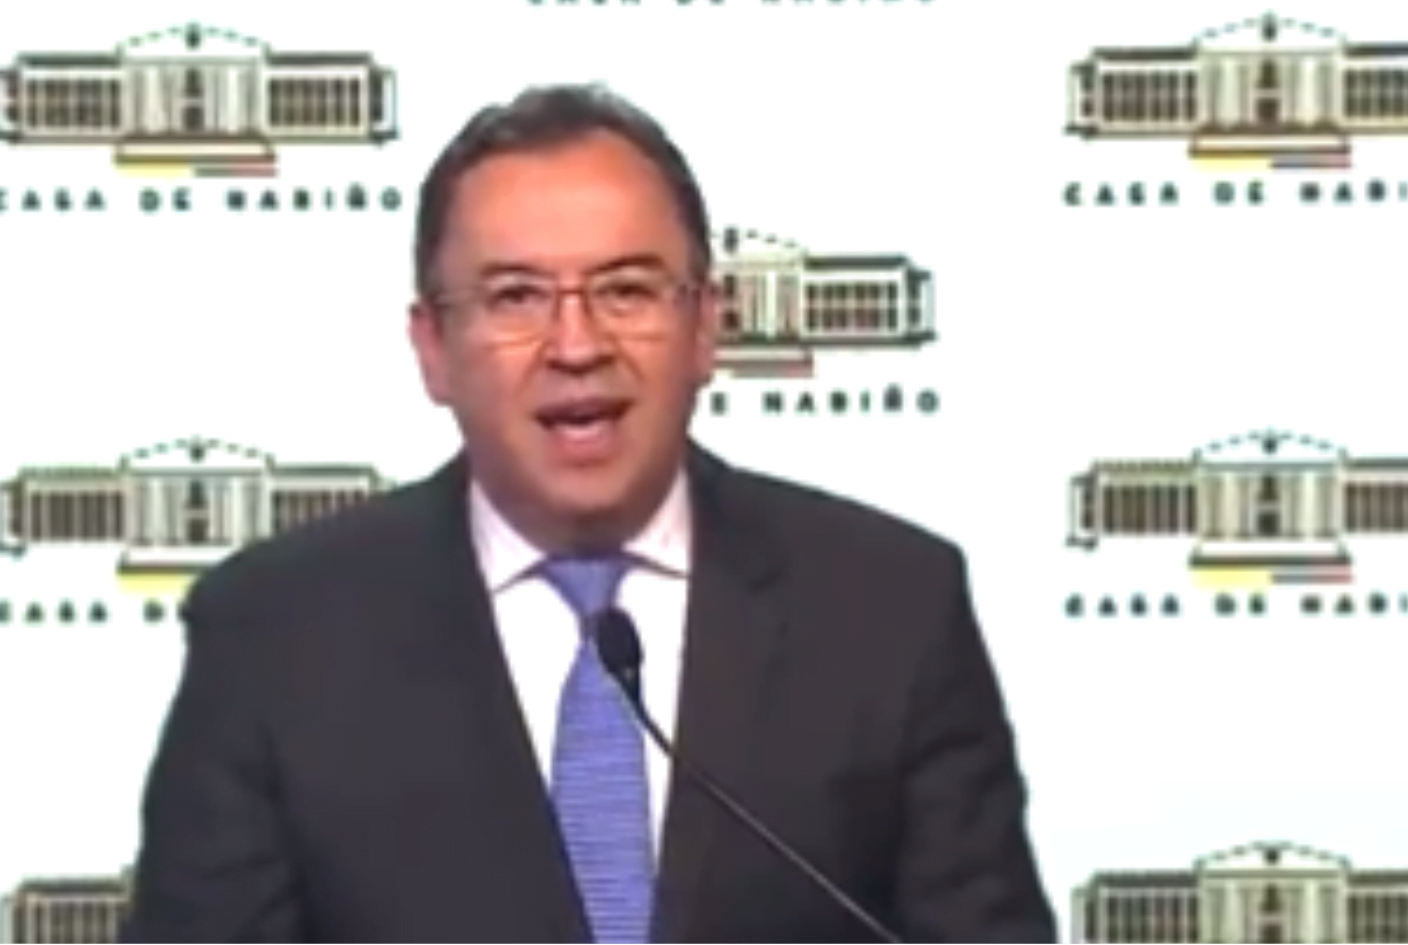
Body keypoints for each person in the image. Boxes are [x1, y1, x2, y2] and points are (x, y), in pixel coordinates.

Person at [121, 83, 1056, 943]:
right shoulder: (276, 636)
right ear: (433, 348)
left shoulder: (890, 607)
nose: (577, 345)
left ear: (706, 327)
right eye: (516, 297)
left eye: (627, 290)